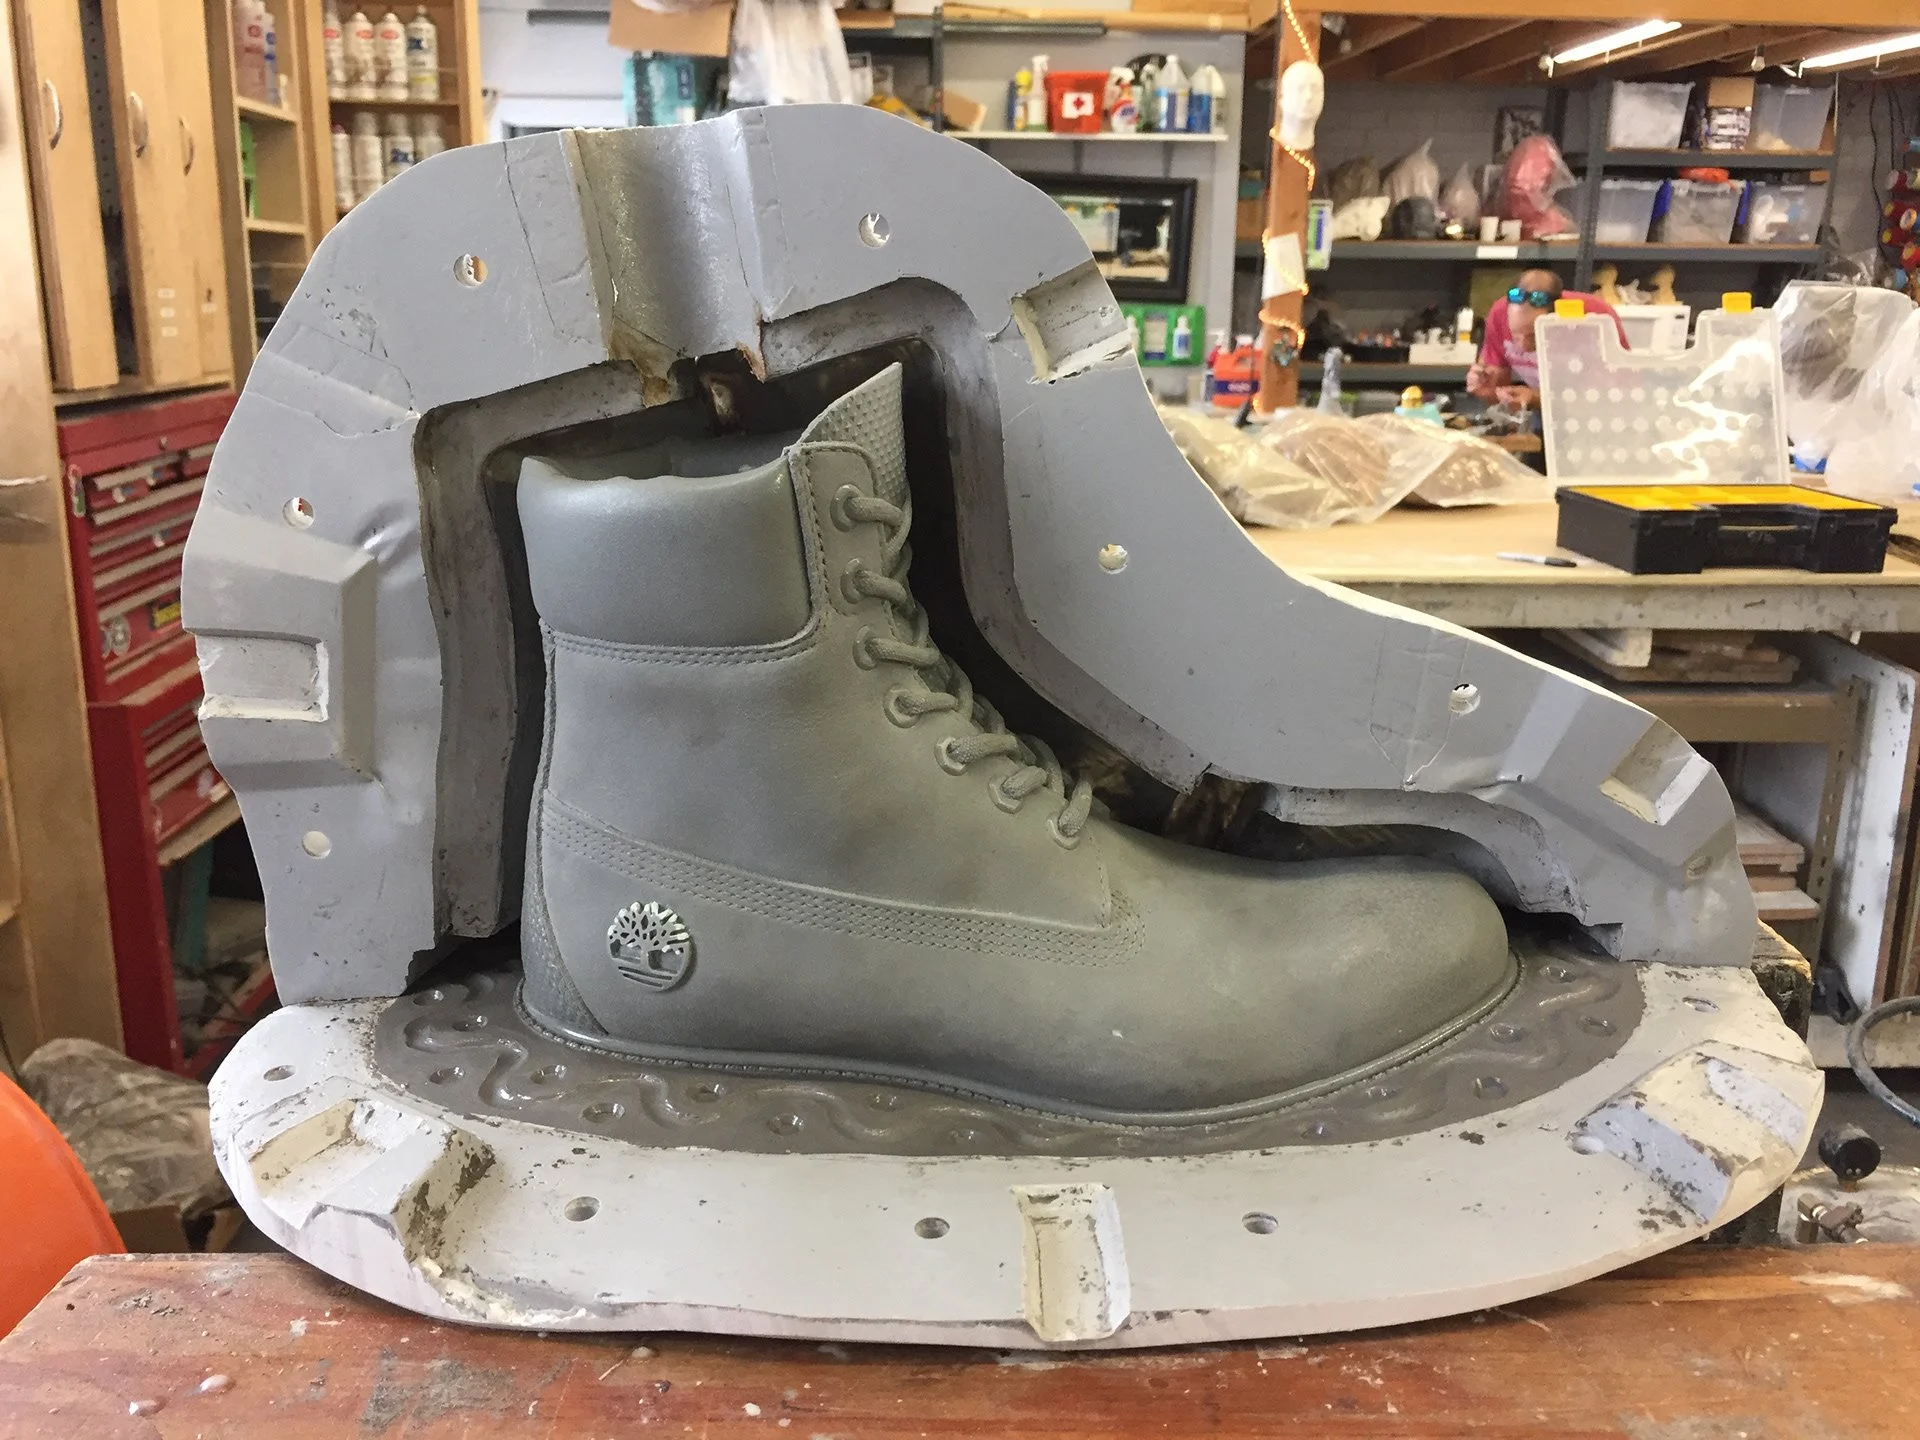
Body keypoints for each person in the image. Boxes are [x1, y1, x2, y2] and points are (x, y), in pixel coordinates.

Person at [1466, 269, 1627, 410]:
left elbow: (1613, 395)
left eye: (1533, 336)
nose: (1523, 347)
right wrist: (1488, 391)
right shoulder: (1499, 314)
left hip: (1595, 414)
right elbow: (1499, 393)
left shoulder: (1594, 319)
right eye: (1516, 336)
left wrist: (1537, 399)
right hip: (1542, 406)